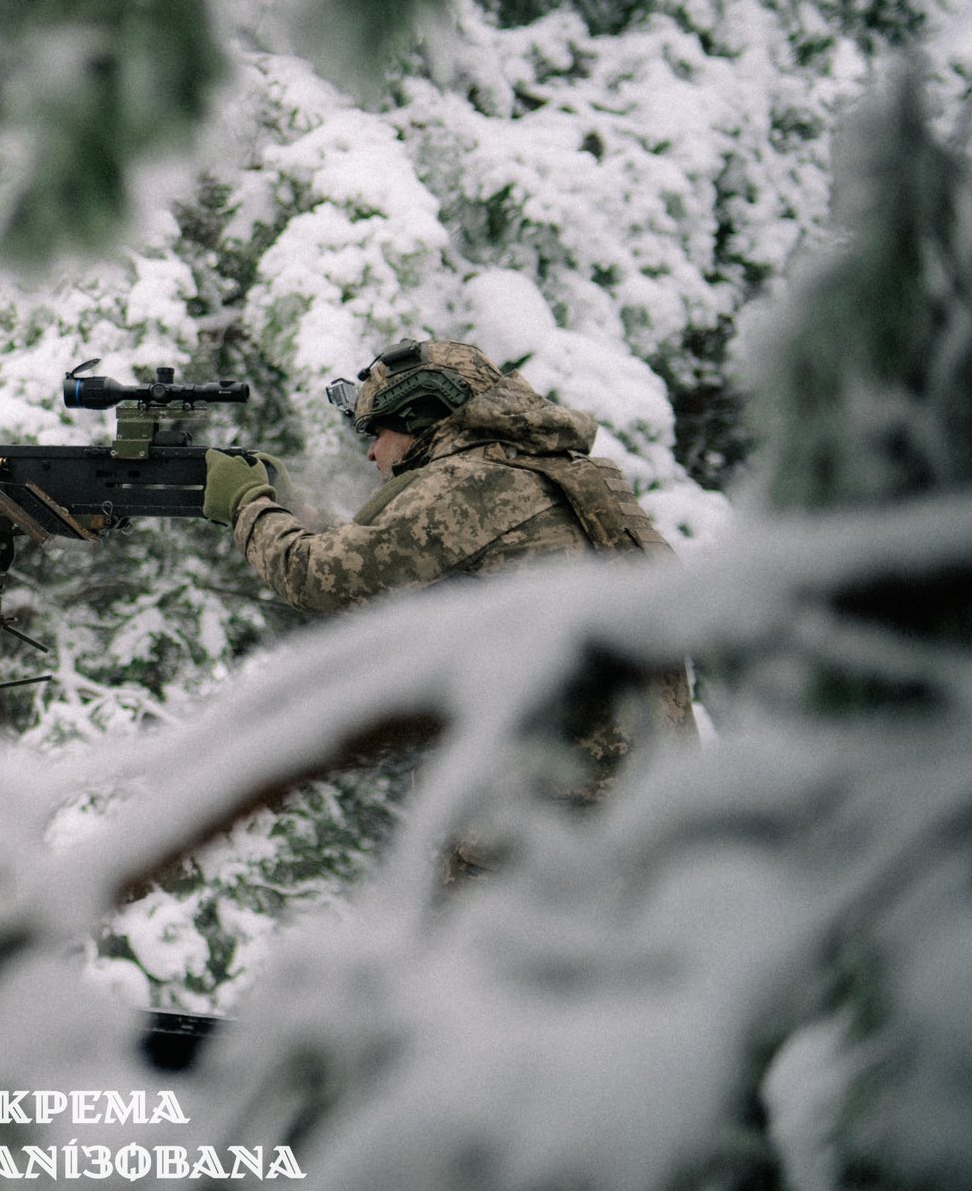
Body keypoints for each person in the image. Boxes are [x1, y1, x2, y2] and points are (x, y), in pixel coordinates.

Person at [202, 337, 696, 878]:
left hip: (546, 826)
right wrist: (291, 507)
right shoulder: (537, 472)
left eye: (378, 433)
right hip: (631, 802)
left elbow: (318, 576)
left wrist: (247, 505)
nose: (371, 453)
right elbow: (401, 550)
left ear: (421, 418)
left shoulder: (467, 484)